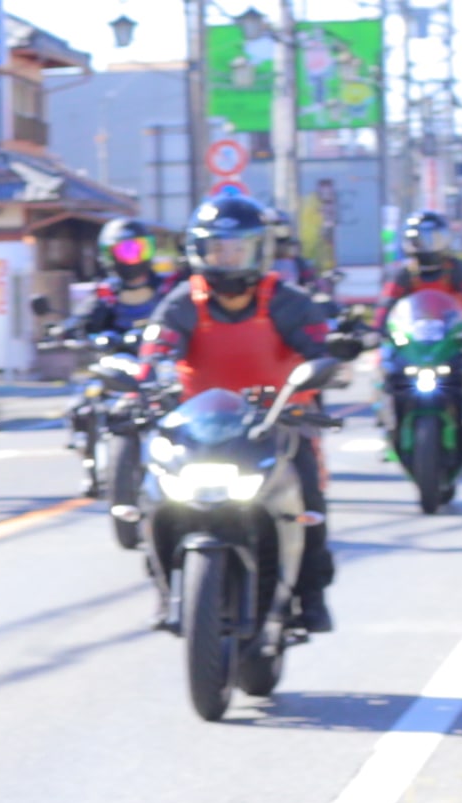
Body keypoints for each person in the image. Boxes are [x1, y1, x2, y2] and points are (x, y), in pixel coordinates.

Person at [138, 193, 342, 632]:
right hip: (199, 429)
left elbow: (320, 347)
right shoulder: (182, 303)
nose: (227, 259)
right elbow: (157, 348)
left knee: (309, 499)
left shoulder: (288, 301)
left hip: (277, 425)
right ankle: (165, 590)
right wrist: (147, 383)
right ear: (199, 251)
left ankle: (311, 596)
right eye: (217, 249)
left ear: (259, 250)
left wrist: (328, 362)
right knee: (153, 495)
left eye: (238, 249)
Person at [67, 217, 178, 340]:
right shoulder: (105, 295)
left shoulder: (169, 289)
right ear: (110, 255)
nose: (134, 257)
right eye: (127, 251)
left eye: (140, 250)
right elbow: (76, 327)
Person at [381, 210, 462, 312]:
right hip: (416, 322)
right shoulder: (406, 272)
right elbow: (387, 303)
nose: (427, 245)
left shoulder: (457, 268)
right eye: (420, 240)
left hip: (453, 323)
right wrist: (379, 323)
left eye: (434, 238)